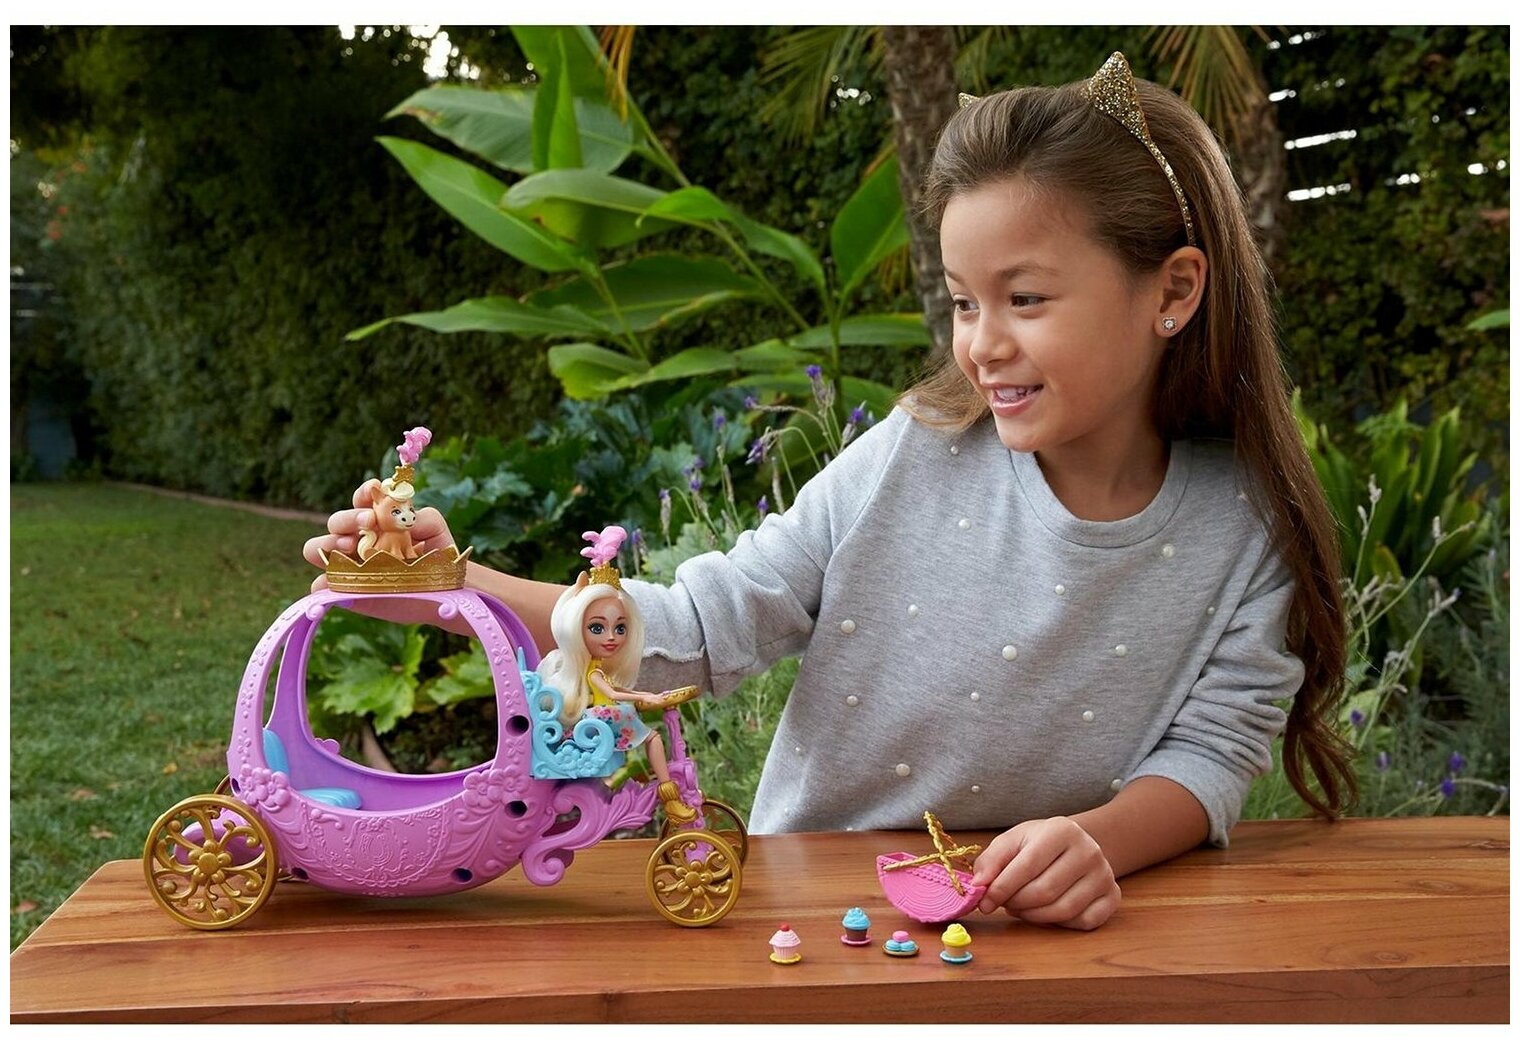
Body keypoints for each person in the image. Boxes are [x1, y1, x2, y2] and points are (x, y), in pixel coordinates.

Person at [304, 52, 1356, 931]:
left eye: (1025, 298)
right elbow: (700, 625)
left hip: (1048, 936)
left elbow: (1215, 747)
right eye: (962, 302)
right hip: (814, 918)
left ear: (1173, 289)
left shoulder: (1244, 527)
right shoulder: (910, 456)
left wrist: (1095, 843)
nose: (981, 344)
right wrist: (453, 586)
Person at [535, 525, 698, 823]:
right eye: (597, 627)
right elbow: (611, 693)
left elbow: (615, 691)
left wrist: (645, 696)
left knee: (650, 733)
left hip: (604, 716)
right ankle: (667, 791)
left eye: (620, 628)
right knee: (652, 737)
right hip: (601, 718)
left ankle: (666, 791)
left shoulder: (598, 667)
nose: (611, 637)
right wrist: (644, 696)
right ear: (575, 630)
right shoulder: (592, 671)